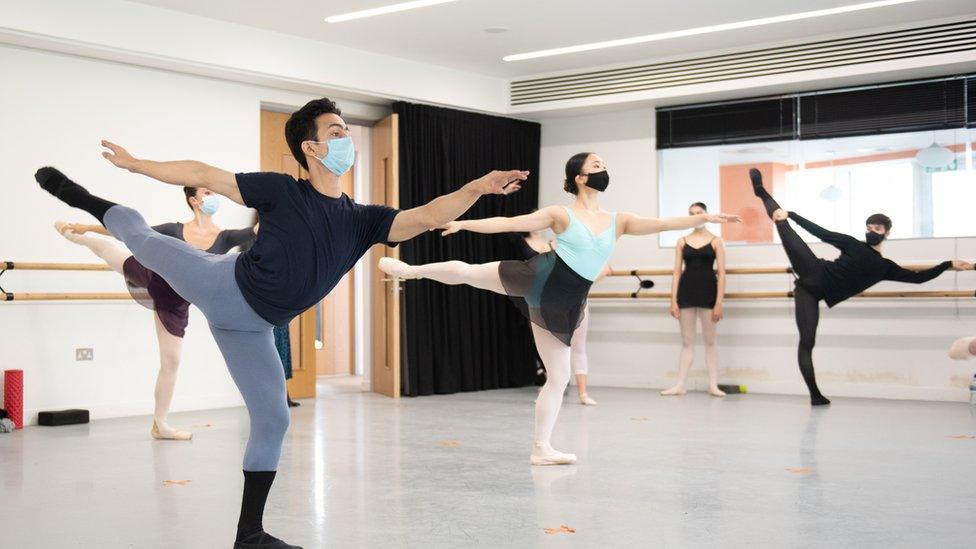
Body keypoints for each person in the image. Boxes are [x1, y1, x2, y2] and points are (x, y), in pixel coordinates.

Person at [35, 96, 527, 549]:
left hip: (254, 328)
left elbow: (423, 216)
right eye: (336, 132)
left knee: (274, 418)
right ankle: (83, 198)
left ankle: (249, 535)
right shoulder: (281, 191)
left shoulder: (363, 220)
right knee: (142, 241)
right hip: (220, 285)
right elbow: (205, 171)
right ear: (311, 147)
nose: (345, 140)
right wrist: (137, 164)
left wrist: (477, 187)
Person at [379, 152, 739, 465]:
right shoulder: (560, 214)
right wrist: (461, 223)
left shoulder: (620, 220)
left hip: (567, 300)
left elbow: (662, 223)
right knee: (473, 273)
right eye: (597, 165)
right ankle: (411, 271)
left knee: (560, 376)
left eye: (604, 165)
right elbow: (508, 224)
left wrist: (704, 219)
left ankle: (542, 448)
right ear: (580, 177)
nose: (603, 169)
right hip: (541, 277)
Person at [749, 168, 972, 406]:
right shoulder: (853, 244)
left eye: (877, 229)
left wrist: (948, 264)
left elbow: (918, 278)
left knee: (808, 341)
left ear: (887, 232)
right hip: (813, 271)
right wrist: (792, 214)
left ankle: (815, 397)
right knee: (782, 223)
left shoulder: (884, 267)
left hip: (812, 292)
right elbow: (822, 233)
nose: (872, 231)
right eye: (869, 227)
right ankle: (762, 192)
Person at [53, 185, 256, 439]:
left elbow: (258, 230)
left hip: (175, 303)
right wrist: (87, 227)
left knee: (171, 362)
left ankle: (160, 425)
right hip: (149, 274)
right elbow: (126, 231)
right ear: (194, 200)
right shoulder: (174, 230)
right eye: (207, 193)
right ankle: (75, 234)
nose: (213, 196)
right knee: (107, 249)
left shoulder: (225, 237)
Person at [508, 230, 606, 406]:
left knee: (578, 346)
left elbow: (606, 269)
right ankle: (552, 389)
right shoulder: (550, 247)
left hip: (577, 301)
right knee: (554, 347)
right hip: (553, 302)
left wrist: (581, 281)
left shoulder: (581, 253)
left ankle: (583, 393)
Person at [662, 201, 727, 397]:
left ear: (706, 214)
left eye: (699, 212)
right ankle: (680, 384)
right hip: (686, 292)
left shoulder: (717, 241)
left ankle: (713, 384)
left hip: (708, 291)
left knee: (710, 341)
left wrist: (719, 302)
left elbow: (722, 274)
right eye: (692, 213)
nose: (696, 215)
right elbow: (676, 272)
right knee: (687, 342)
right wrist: (673, 300)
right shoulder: (682, 241)